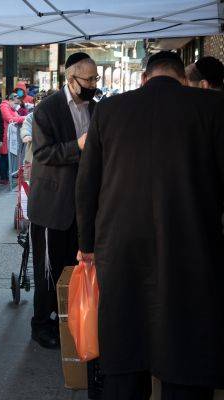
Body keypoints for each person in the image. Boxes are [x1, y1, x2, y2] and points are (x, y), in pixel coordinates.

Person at [76, 50, 224, 400]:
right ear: (183, 79)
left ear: (144, 77)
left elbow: (87, 185)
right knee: (186, 350)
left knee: (125, 347)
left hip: (120, 247)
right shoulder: (211, 107)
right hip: (191, 246)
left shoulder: (109, 110)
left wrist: (87, 245)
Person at [27, 52, 98, 349]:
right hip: (51, 205)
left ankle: (67, 319)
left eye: (96, 78)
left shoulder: (95, 108)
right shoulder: (47, 109)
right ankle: (41, 324)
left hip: (82, 205)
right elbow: (43, 154)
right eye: (89, 79)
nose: (94, 84)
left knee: (72, 267)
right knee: (47, 270)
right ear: (71, 79)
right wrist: (78, 146)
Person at [0, 93, 25, 184]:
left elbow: (16, 117)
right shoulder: (4, 107)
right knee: (4, 156)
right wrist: (23, 118)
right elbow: (10, 119)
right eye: (16, 103)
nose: (17, 106)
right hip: (5, 135)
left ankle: (8, 175)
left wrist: (21, 118)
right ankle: (3, 178)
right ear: (11, 100)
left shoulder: (11, 108)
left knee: (7, 157)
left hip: (10, 136)